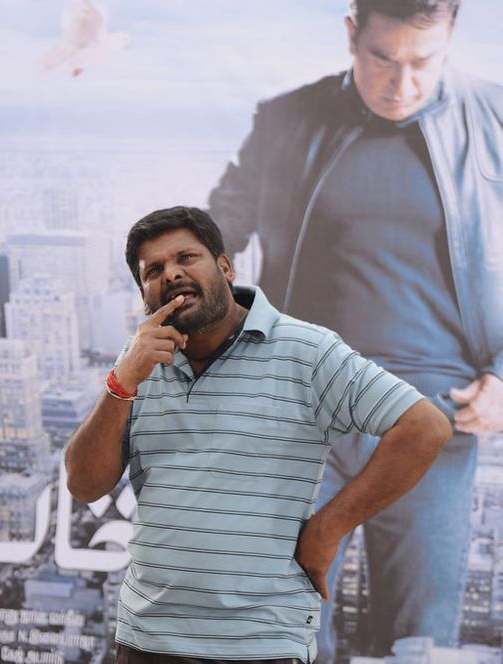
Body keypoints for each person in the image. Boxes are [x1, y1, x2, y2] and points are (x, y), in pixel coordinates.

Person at [206, 0, 503, 659]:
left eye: (423, 62)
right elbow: (216, 231)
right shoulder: (287, 118)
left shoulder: (495, 119)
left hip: (431, 421)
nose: (403, 83)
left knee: (418, 642)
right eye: (382, 59)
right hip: (301, 411)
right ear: (350, 35)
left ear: (451, 41)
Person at [65, 206, 451, 663]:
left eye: (186, 258)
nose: (171, 274)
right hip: (148, 640)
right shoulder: (138, 362)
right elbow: (84, 485)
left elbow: (425, 427)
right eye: (154, 271)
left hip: (262, 643)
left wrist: (328, 529)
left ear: (225, 268)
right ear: (145, 295)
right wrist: (123, 381)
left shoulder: (307, 350)